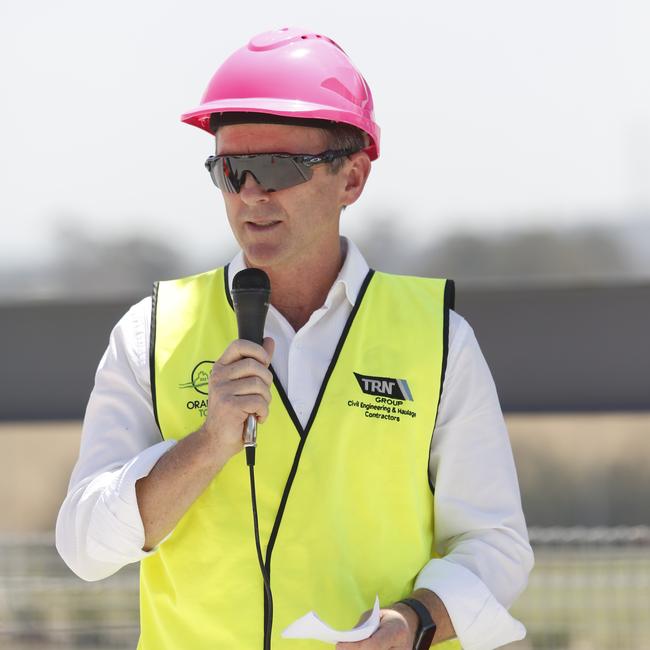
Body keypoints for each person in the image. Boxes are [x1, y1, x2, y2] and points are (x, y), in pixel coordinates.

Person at [56, 27, 533, 650]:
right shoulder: (151, 331)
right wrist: (205, 446)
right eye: (231, 169)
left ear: (352, 180)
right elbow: (84, 547)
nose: (251, 192)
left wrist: (413, 623)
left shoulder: (439, 339)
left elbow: (495, 544)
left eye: (278, 167)